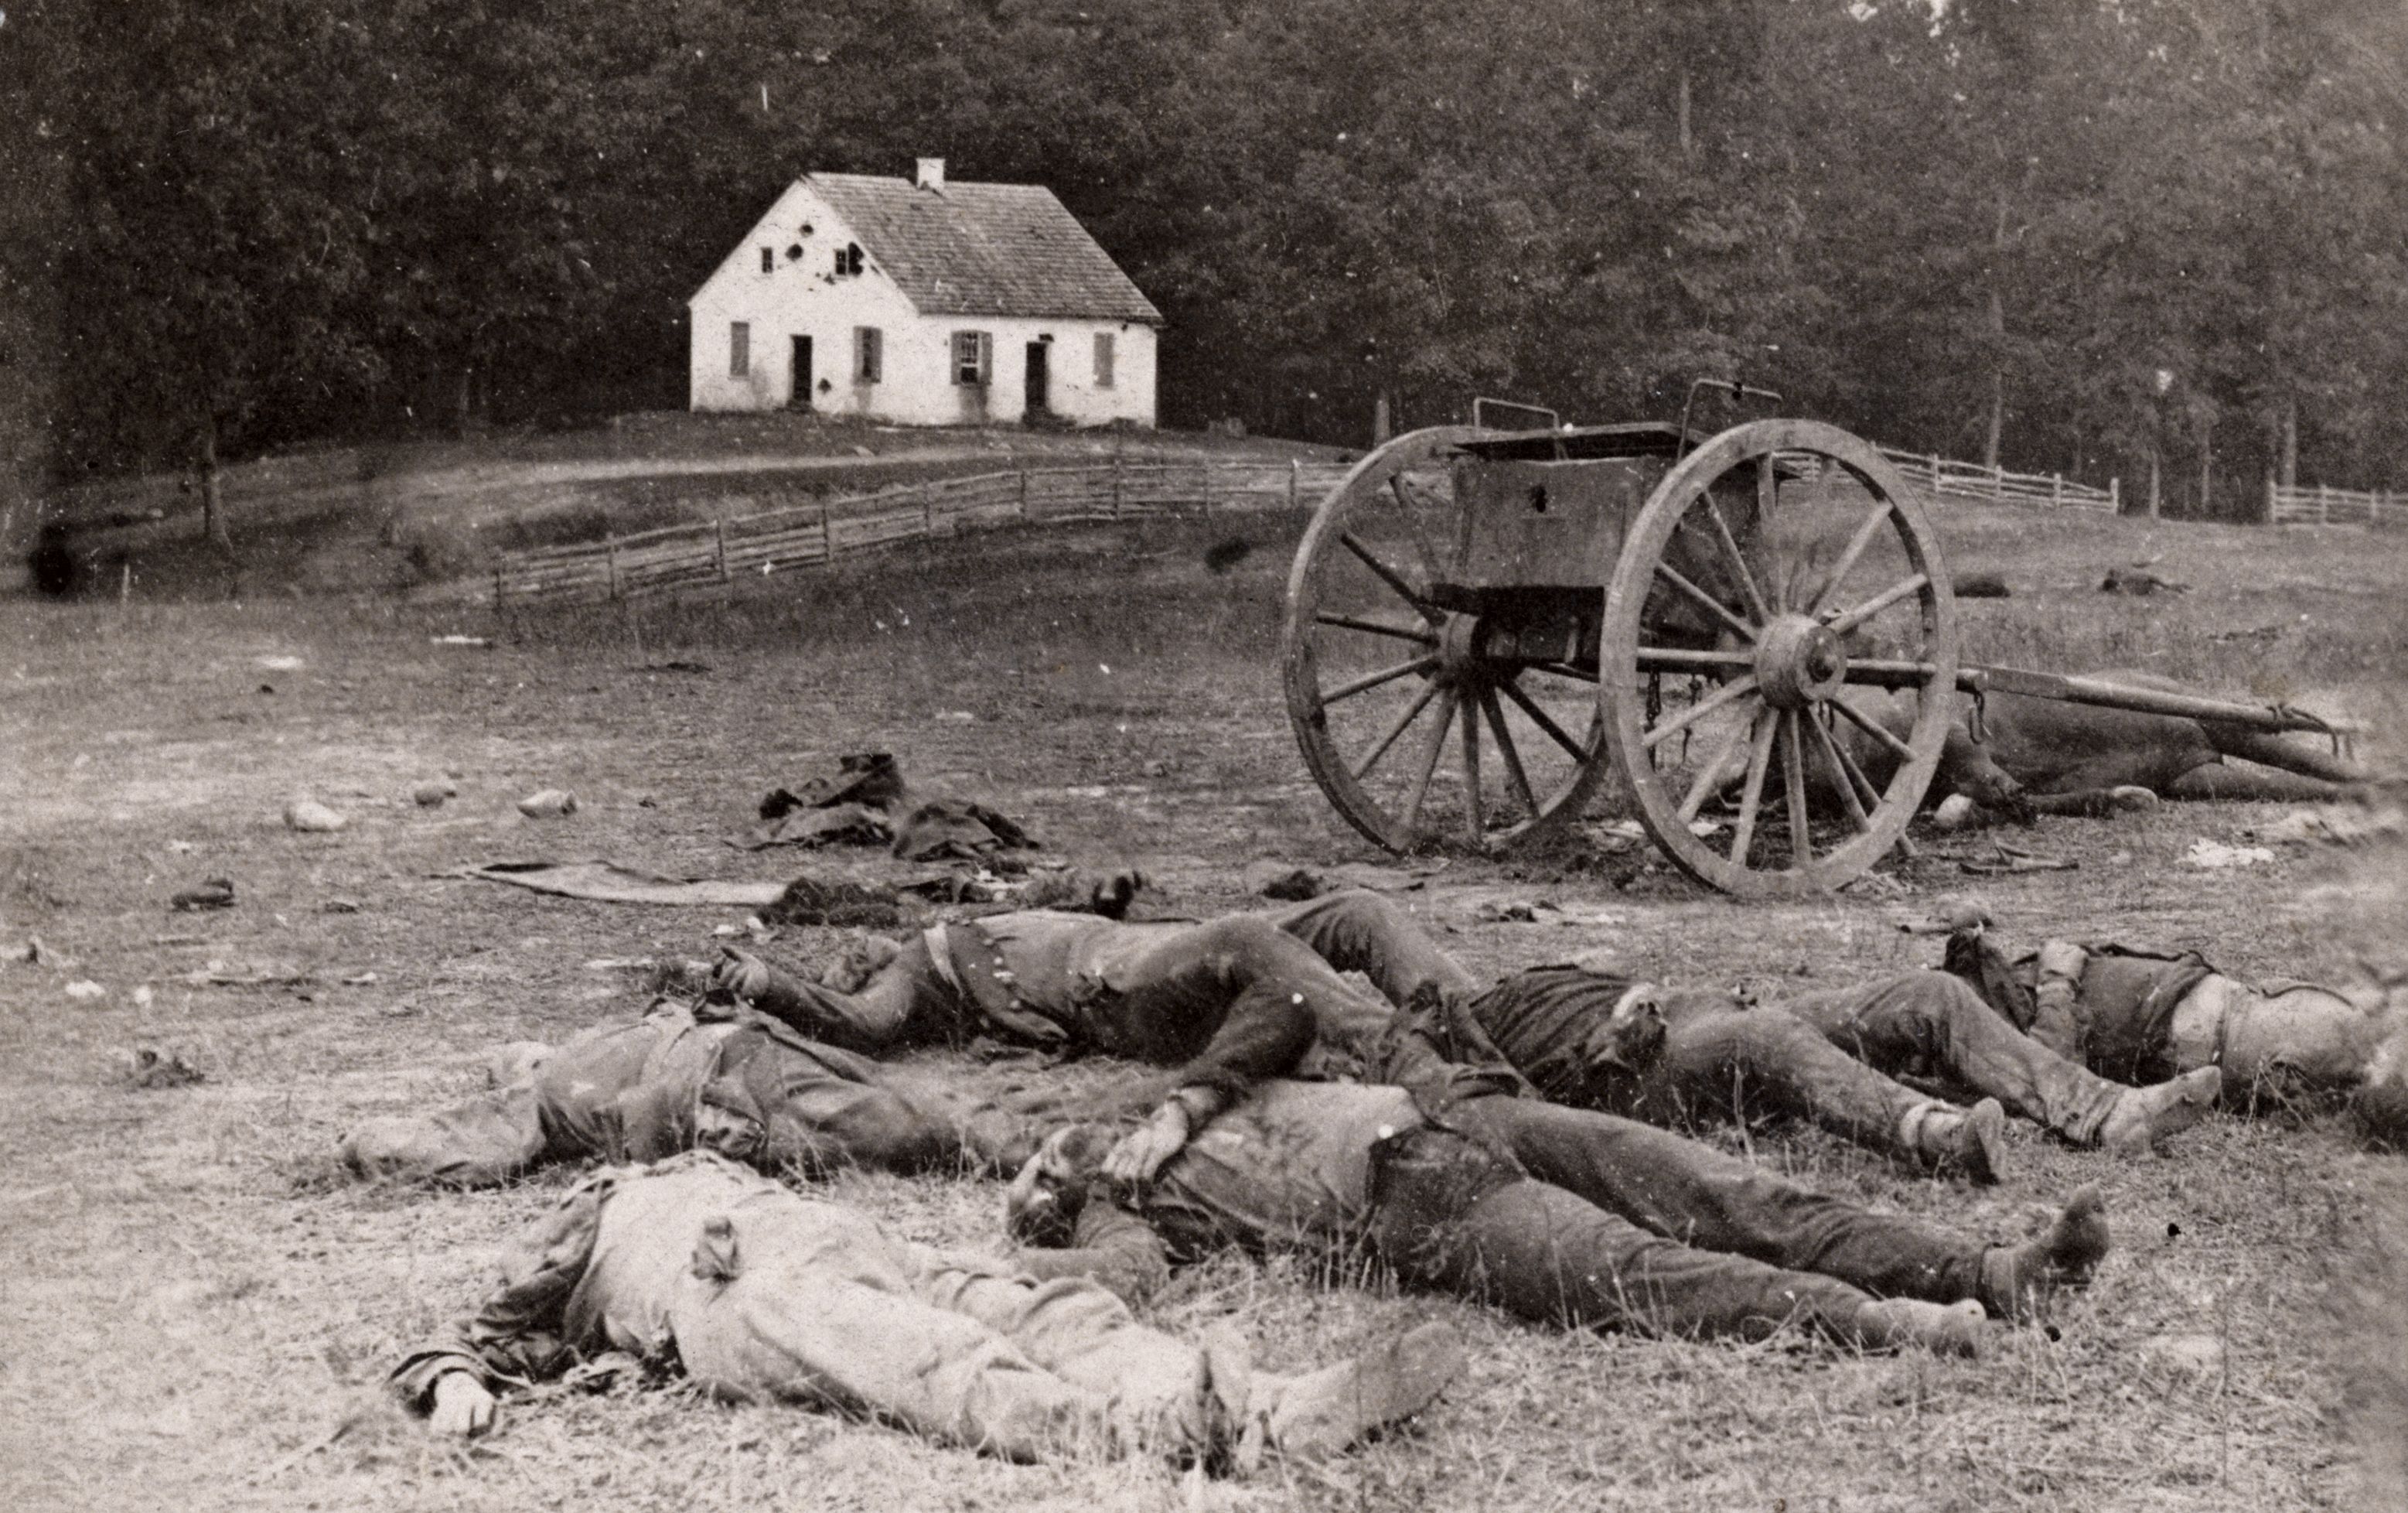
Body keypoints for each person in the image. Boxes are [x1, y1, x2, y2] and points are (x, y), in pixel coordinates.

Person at [394, 1150, 1464, 1470]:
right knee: (937, 1357)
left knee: (1042, 1311)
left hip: (853, 1240)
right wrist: (446, 1382)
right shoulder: (586, 1215)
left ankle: (1272, 1407)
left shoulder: (691, 1157)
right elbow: (477, 1332)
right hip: (731, 1291)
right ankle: (1148, 1435)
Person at [1004, 1079, 2112, 1360]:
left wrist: (1182, 1102)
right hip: (1427, 1205)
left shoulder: (1188, 1093)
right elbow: (1125, 1276)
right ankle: (1895, 1328)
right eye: (1044, 1176)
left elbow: (1262, 1013)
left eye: (1049, 1151)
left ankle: (1998, 1269)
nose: (1054, 1154)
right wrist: (1038, 1267)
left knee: (1734, 1194)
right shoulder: (1132, 1200)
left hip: (1472, 1122)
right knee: (1649, 1272)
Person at [339, 997, 1045, 1187]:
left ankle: (1042, 1146)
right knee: (906, 1116)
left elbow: (423, 1146)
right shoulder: (563, 1080)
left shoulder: (552, 1092)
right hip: (743, 1058)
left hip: (737, 1071)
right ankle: (1040, 1144)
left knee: (903, 1120)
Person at [1934, 911, 2408, 1148]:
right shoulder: (1980, 1034)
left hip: (2237, 1005)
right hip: (2226, 1038)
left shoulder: (1978, 994)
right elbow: (2046, 1070)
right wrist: (2058, 978)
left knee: (2377, 1036)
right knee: (2374, 1060)